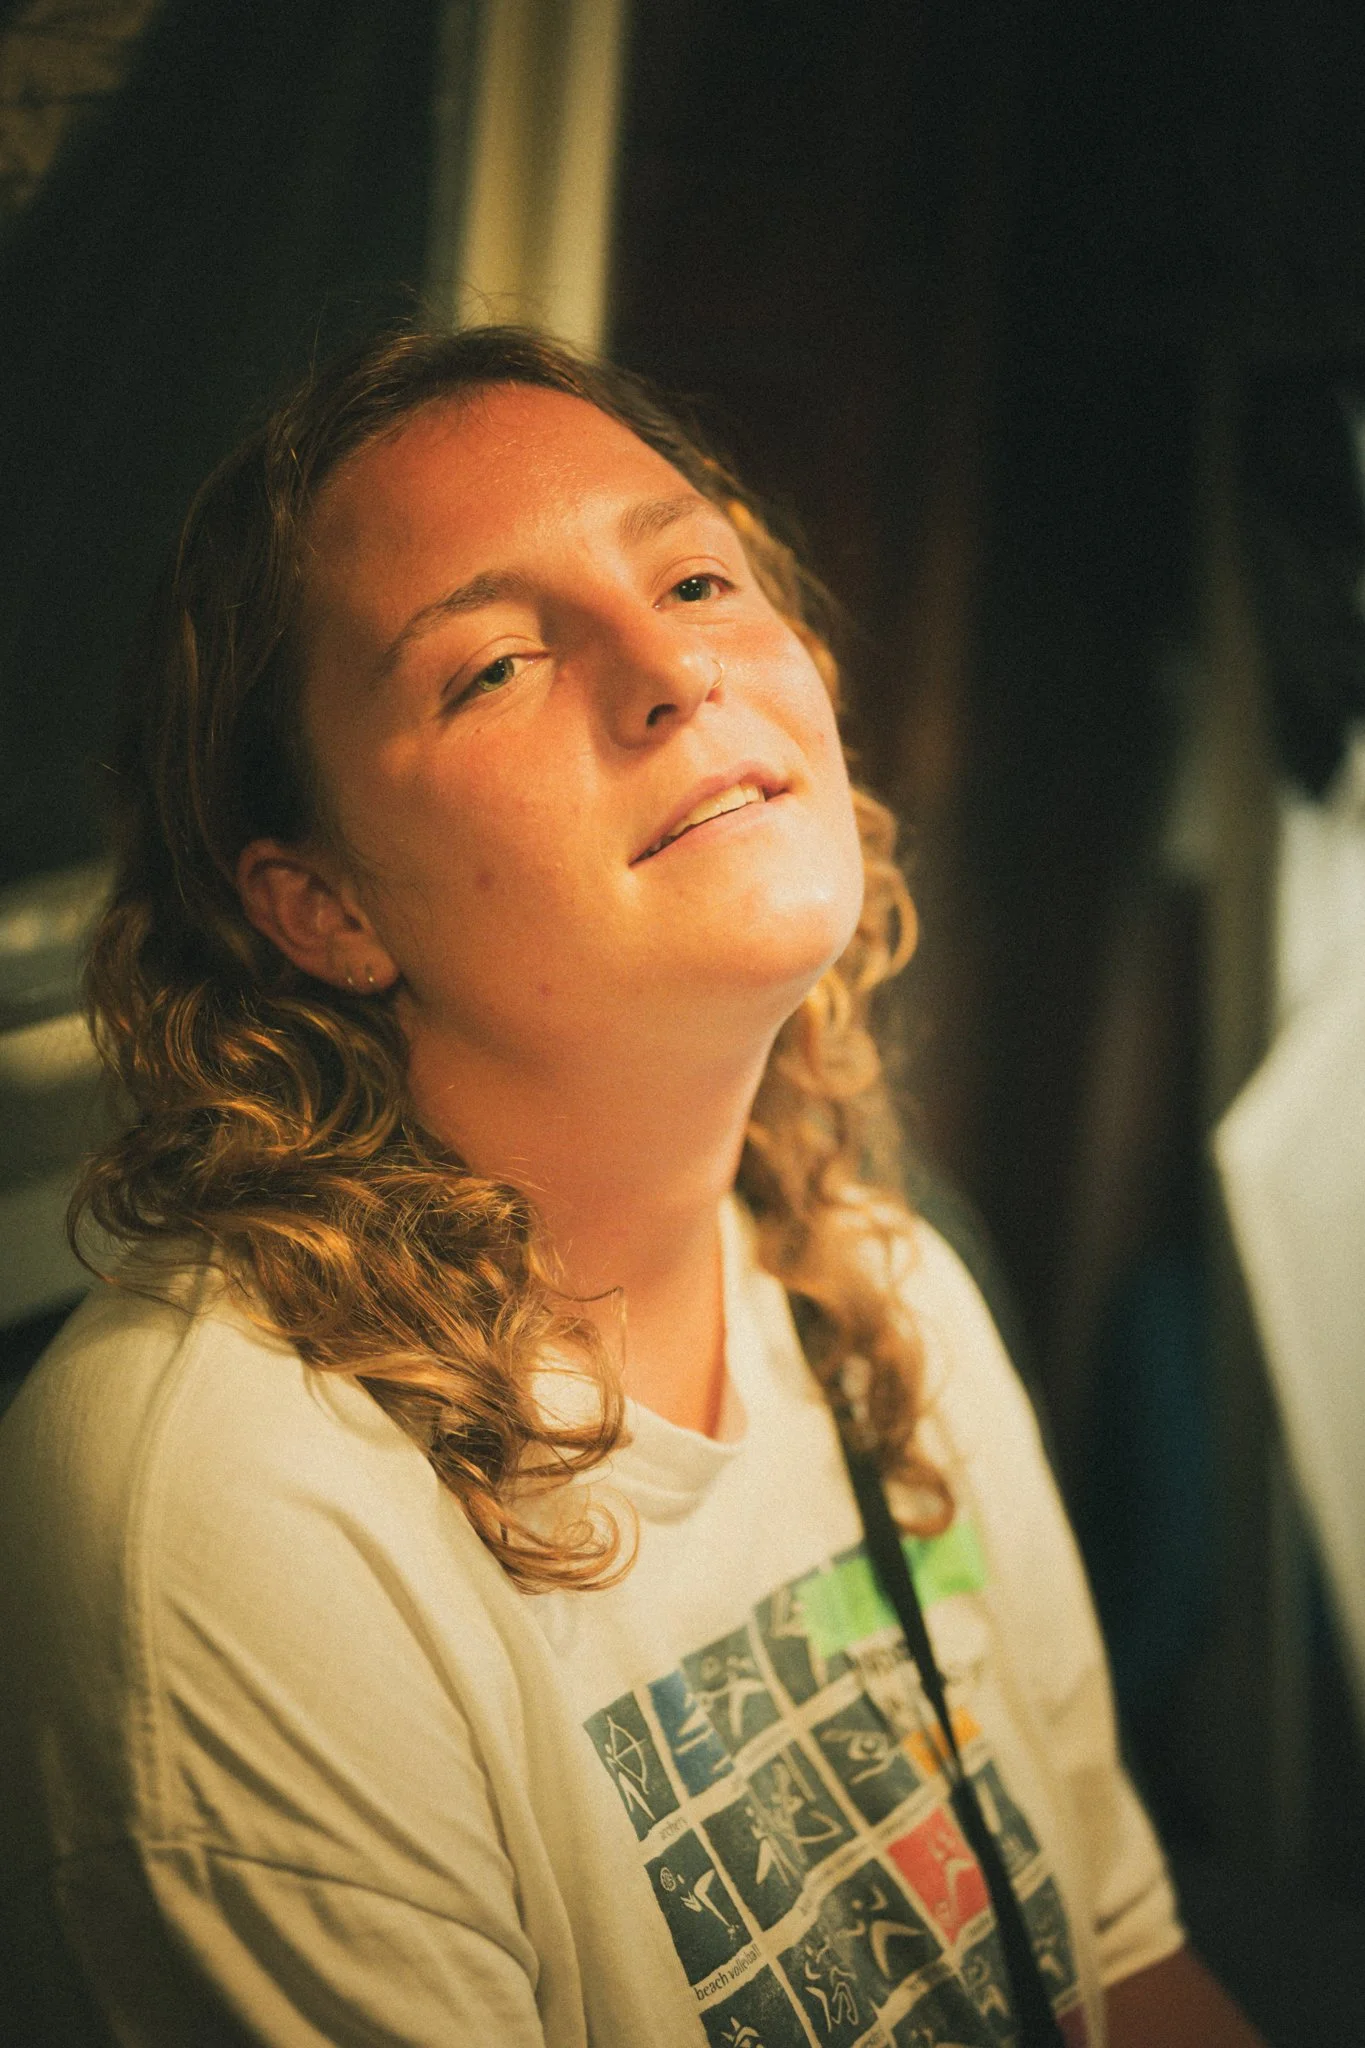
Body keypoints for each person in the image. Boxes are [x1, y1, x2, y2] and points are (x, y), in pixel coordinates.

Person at [0, 327, 1264, 2046]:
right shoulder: (221, 1517)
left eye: (693, 574)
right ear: (323, 908)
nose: (671, 666)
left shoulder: (879, 1283)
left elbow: (1123, 1967)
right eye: (494, 667)